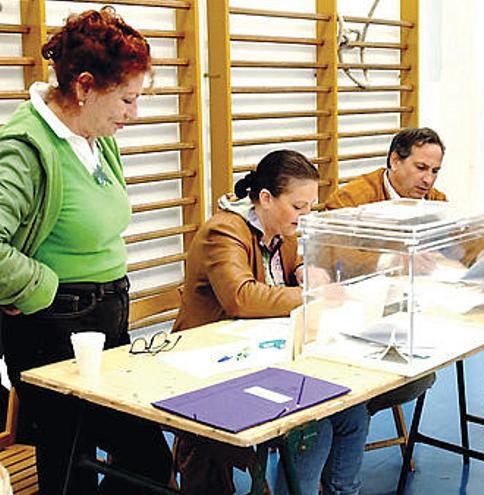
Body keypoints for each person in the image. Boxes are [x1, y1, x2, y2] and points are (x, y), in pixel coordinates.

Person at [0, 8, 172, 493]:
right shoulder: (26, 147)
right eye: (126, 99)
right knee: (92, 464)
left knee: (113, 461)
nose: (133, 114)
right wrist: (43, 288)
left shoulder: (95, 135)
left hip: (104, 322)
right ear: (84, 86)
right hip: (52, 328)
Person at [172, 150, 369, 495]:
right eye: (298, 206)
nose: (305, 215)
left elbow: (288, 266)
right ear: (265, 198)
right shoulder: (224, 230)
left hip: (263, 354)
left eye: (311, 206)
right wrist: (314, 297)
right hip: (212, 365)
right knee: (315, 422)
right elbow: (243, 296)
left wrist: (305, 271)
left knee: (354, 414)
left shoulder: (282, 229)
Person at [324, 127, 484, 415]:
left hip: (415, 313)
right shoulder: (351, 199)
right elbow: (332, 257)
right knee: (412, 375)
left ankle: (353, 411)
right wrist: (393, 262)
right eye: (421, 167)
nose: (428, 179)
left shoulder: (435, 199)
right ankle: (352, 412)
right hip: (358, 313)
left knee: (424, 371)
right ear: (394, 161)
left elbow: (466, 239)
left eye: (435, 170)